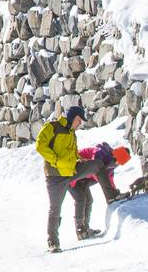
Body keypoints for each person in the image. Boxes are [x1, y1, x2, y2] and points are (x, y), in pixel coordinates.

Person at [36, 106, 123, 253]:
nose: (80, 124)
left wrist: (80, 159)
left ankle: (111, 196)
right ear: (72, 117)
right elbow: (40, 145)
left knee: (97, 165)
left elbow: (73, 152)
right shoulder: (53, 127)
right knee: (55, 208)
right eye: (79, 120)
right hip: (55, 176)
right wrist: (56, 160)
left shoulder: (72, 133)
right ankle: (53, 242)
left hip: (72, 170)